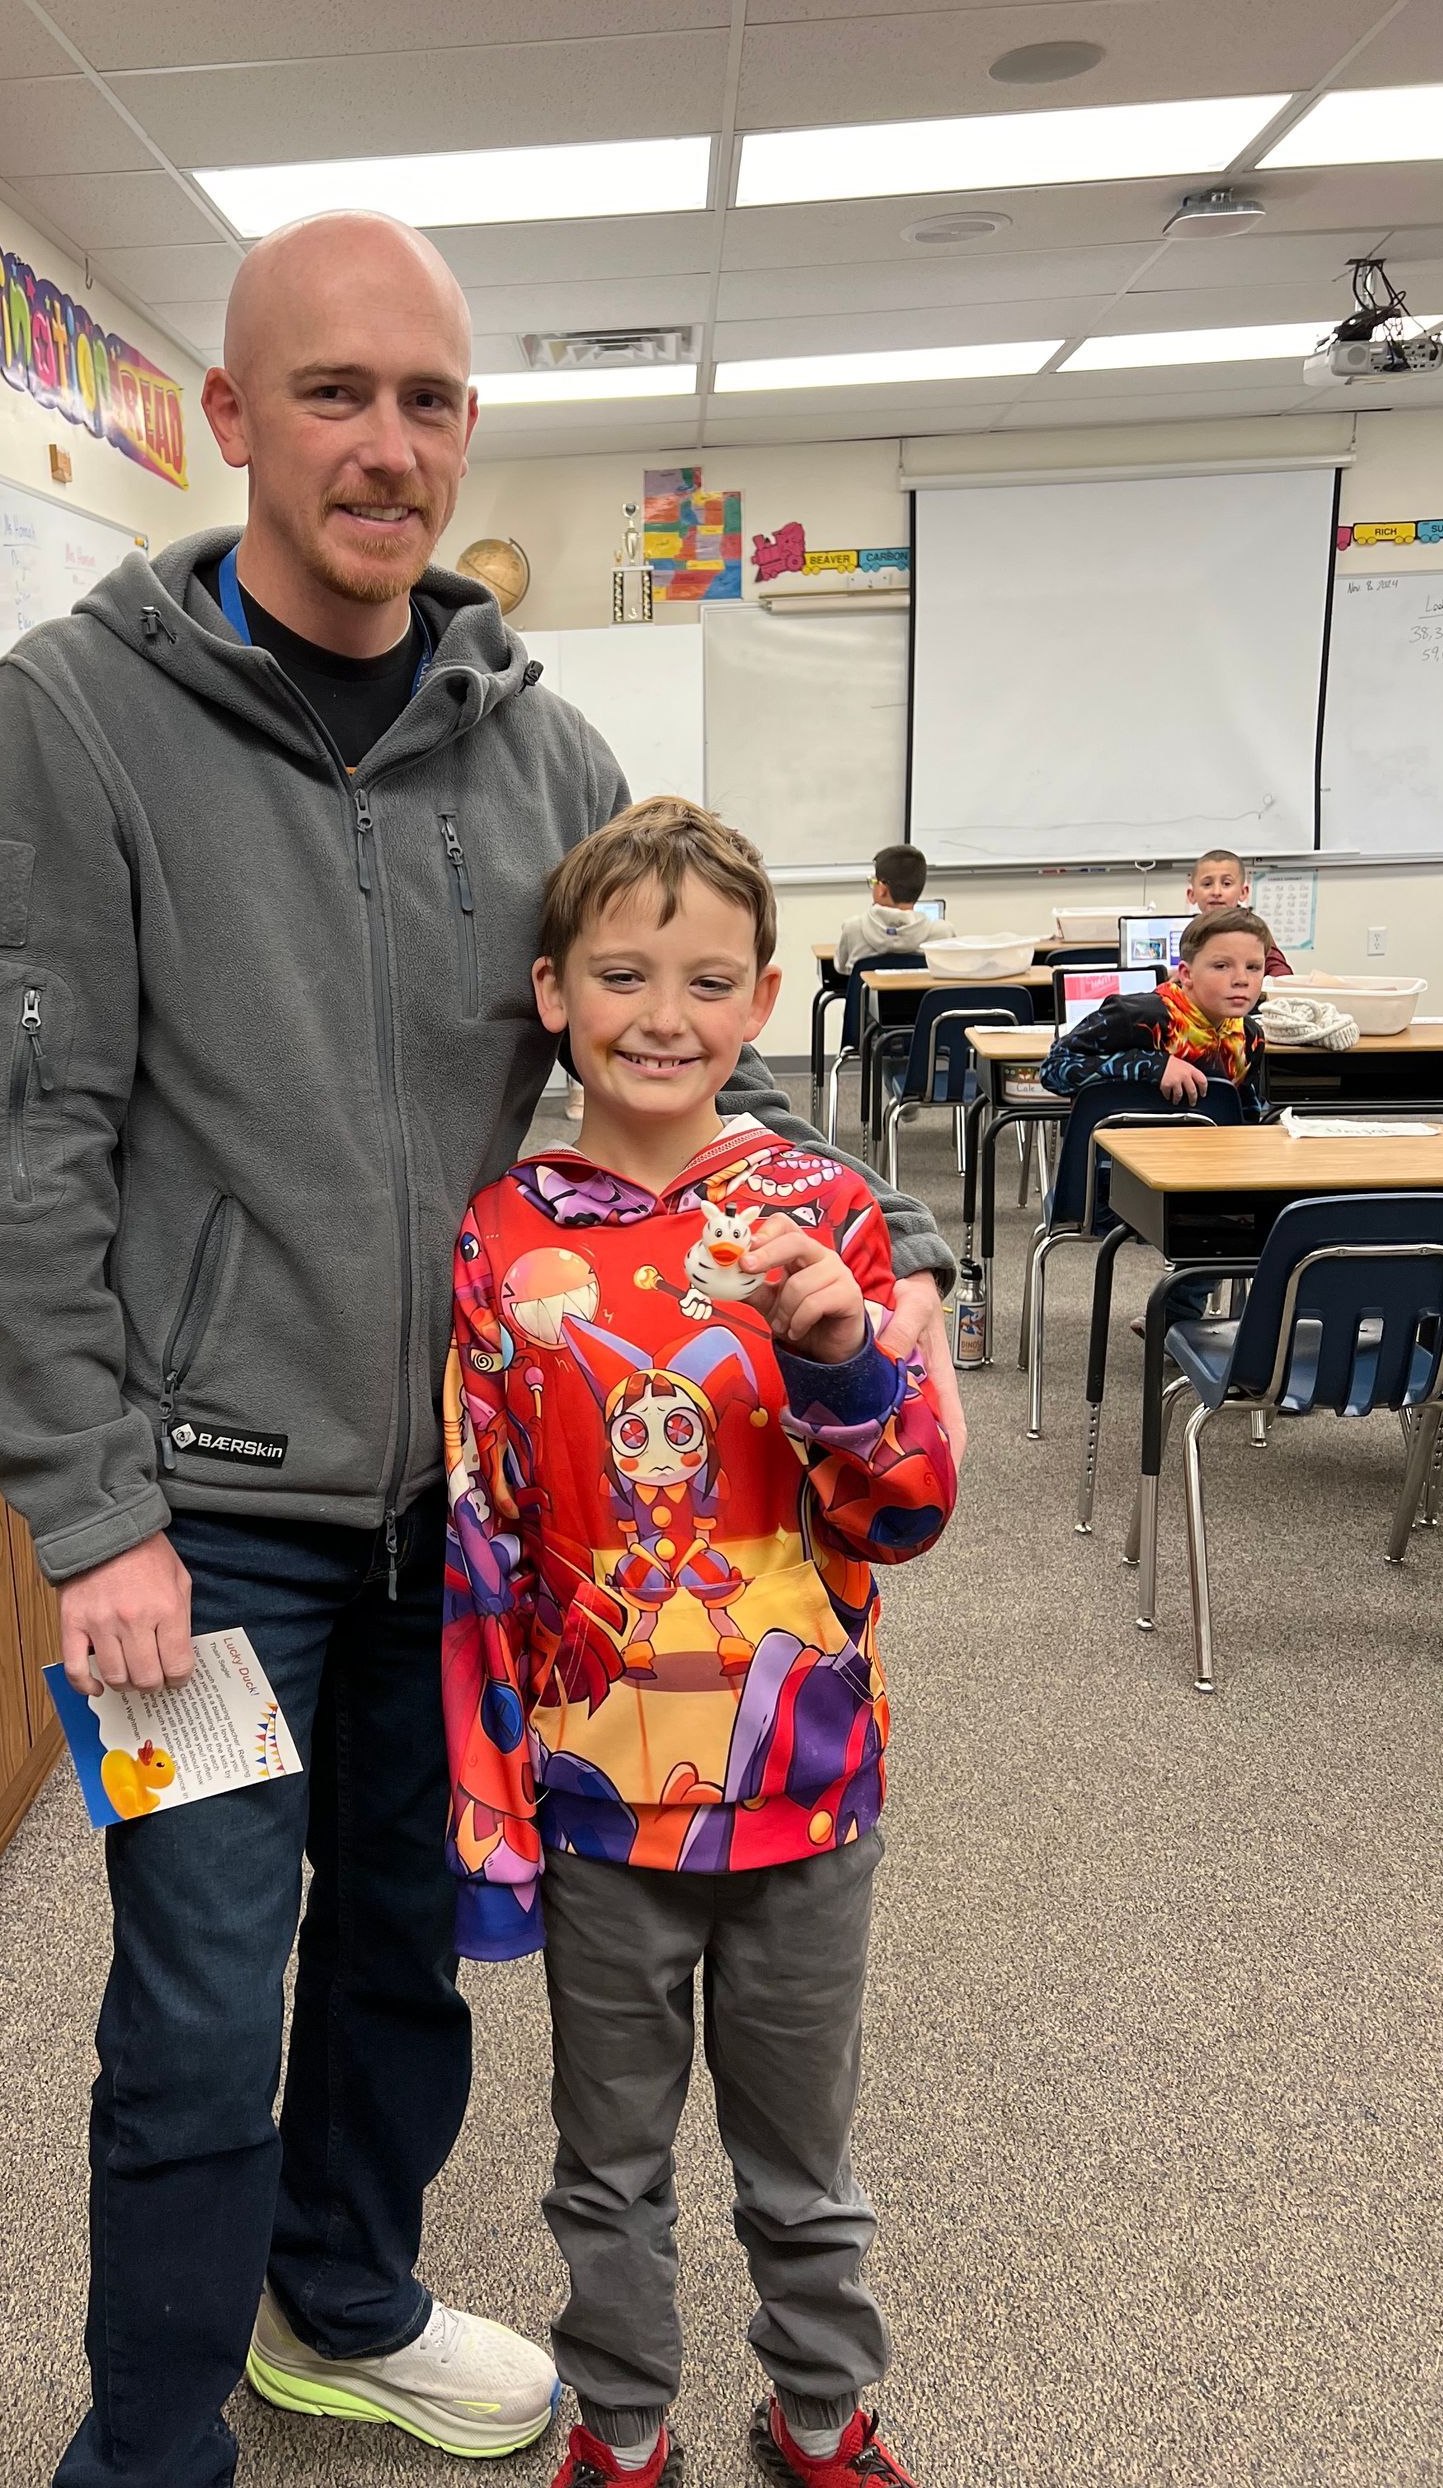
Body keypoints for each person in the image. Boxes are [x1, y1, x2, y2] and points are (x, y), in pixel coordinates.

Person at [0, 209, 962, 2488]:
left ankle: (343, 2300)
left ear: (465, 423)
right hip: (193, 1528)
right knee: (197, 1992)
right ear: (231, 420)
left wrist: (809, 1257)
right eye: (333, 392)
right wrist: (92, 1513)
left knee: (411, 1944)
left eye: (428, 398)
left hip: (473, 1530)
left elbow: (652, 1064)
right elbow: (8, 1153)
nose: (386, 444)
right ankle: (153, 2437)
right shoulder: (81, 720)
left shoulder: (544, 746)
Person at [444, 797, 957, 2488]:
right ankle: (624, 2421)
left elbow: (905, 1512)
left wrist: (838, 1353)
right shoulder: (502, 1246)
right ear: (552, 992)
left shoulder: (826, 1212)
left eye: (707, 979)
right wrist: (490, 1804)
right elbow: (482, 1539)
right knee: (607, 2160)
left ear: (762, 1001)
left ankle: (822, 2412)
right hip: (600, 1798)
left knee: (801, 2157)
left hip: (806, 1788)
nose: (663, 1013)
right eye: (622, 973)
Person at [1040, 906, 1270, 1118]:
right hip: (1122, 1156)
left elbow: (1242, 1109)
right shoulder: (1140, 1017)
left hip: (1210, 1154)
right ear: (1186, 975)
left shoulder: (1250, 1037)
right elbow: (1054, 1069)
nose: (1241, 979)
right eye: (1221, 966)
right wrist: (1152, 1065)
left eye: (1254, 967)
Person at [833, 843, 940, 976]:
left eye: (874, 882)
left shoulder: (854, 928)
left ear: (882, 889)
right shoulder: (941, 934)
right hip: (921, 998)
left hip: (869, 998)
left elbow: (841, 968)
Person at [1186, 848, 1291, 974]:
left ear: (1243, 892)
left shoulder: (1252, 929)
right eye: (1207, 884)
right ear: (1191, 895)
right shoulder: (1193, 931)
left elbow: (1280, 973)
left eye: (1226, 883)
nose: (1216, 892)